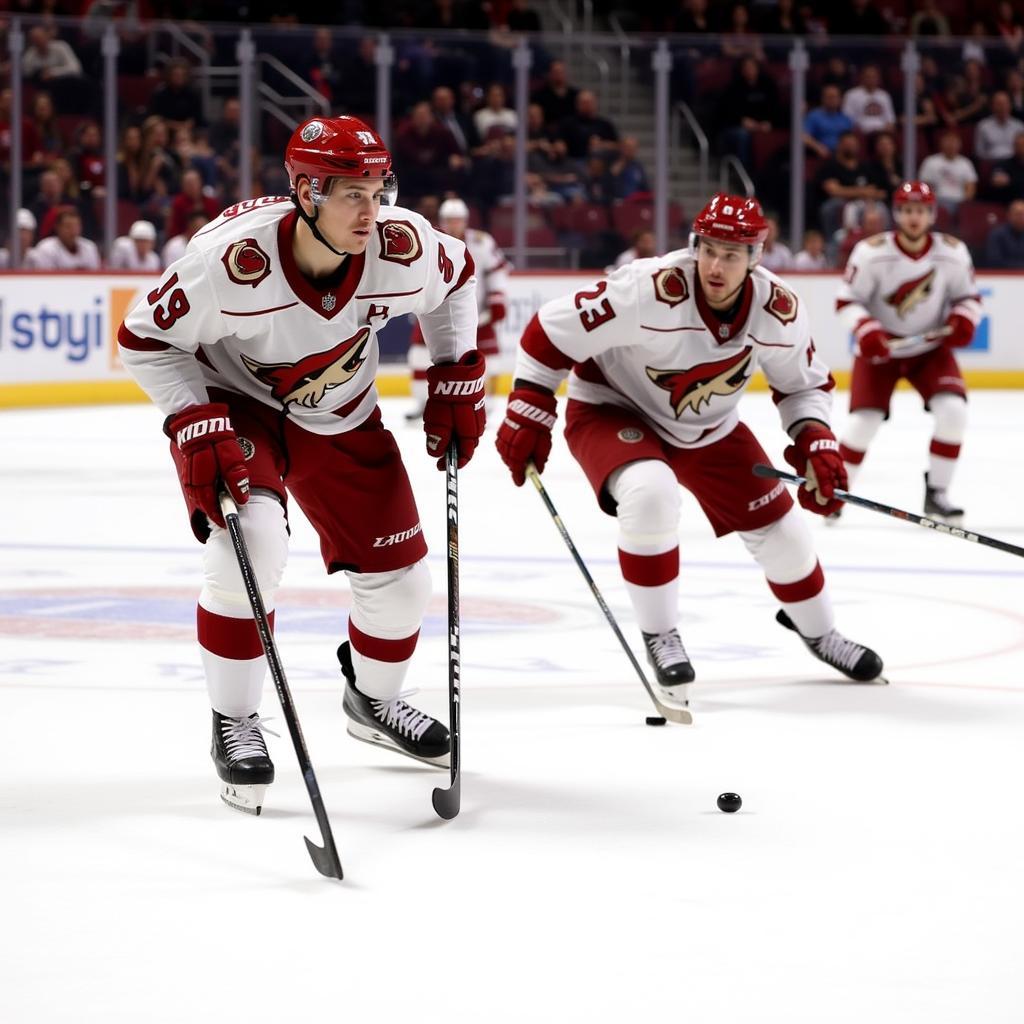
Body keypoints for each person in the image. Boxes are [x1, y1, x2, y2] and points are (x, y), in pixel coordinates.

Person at [117, 116, 485, 814]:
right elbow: (144, 338)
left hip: (343, 413)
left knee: (403, 582)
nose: (372, 212)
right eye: (352, 194)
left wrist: (455, 368)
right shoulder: (230, 261)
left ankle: (373, 702)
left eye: (380, 190)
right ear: (306, 193)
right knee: (250, 544)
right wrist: (192, 420)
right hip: (239, 403)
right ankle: (235, 720)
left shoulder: (402, 246)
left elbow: (459, 278)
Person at [495, 193, 884, 702]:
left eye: (732, 254)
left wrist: (817, 442)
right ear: (694, 246)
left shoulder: (780, 310)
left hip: (711, 425)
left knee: (784, 535)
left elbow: (802, 386)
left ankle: (819, 631)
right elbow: (549, 330)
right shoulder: (648, 288)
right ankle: (661, 633)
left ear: (755, 258)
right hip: (613, 407)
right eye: (709, 250)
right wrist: (530, 405)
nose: (716, 265)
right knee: (651, 494)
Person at [834, 181, 981, 524]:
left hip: (930, 350)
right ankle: (835, 493)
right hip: (881, 351)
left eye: (921, 210)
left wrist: (962, 318)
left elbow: (968, 298)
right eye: (907, 210)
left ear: (932, 214)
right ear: (897, 213)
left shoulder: (952, 252)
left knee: (954, 412)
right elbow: (846, 301)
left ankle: (938, 493)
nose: (914, 217)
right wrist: (867, 329)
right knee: (861, 424)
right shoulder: (871, 253)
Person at [407, 196, 508, 419]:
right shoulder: (429, 240)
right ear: (442, 220)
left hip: (476, 312)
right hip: (432, 310)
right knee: (418, 356)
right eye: (449, 220)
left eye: (458, 220)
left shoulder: (482, 243)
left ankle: (486, 402)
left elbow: (497, 271)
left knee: (489, 359)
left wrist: (497, 298)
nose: (454, 224)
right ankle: (422, 403)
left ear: (466, 220)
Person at [918, 128, 978, 213]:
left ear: (959, 144)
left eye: (954, 142)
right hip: (937, 202)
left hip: (959, 203)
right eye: (948, 141)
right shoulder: (931, 162)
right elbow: (925, 187)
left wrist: (963, 205)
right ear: (941, 143)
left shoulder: (966, 163)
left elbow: (970, 189)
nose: (951, 145)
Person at [25, 207, 100, 269]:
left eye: (76, 226)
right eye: (68, 226)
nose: (73, 231)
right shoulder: (46, 248)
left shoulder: (89, 247)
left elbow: (95, 278)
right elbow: (44, 279)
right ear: (57, 227)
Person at [983, 197, 1024, 268]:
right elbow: (994, 261)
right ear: (1009, 215)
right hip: (1002, 276)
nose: (1022, 218)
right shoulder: (997, 234)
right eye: (1018, 214)